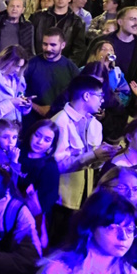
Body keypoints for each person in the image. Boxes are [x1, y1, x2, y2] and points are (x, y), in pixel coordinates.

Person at [51, 74, 119, 214]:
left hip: (84, 197)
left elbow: (93, 165)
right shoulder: (60, 123)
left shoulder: (95, 125)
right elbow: (57, 166)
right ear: (87, 96)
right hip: (60, 199)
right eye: (99, 95)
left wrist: (103, 155)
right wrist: (93, 155)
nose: (102, 100)